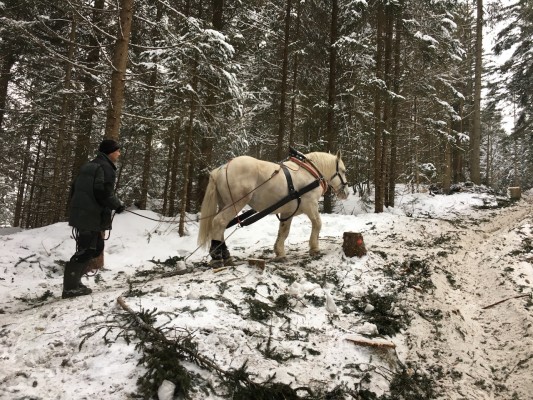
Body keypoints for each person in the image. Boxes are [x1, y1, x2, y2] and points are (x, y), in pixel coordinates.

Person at [62, 139, 125, 299]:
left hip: (84, 212)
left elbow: (75, 187)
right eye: (117, 150)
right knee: (87, 250)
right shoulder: (105, 167)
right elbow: (103, 191)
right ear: (110, 152)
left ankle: (75, 282)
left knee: (95, 248)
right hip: (90, 214)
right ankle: (70, 288)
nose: (119, 153)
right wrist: (117, 205)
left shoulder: (90, 165)